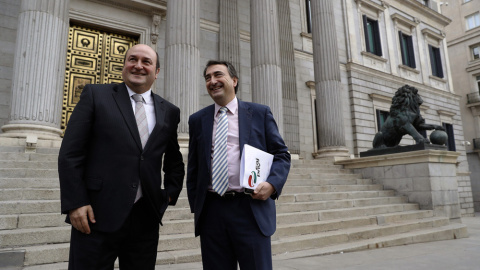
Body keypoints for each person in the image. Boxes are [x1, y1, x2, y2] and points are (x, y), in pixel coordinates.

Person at [58, 44, 185, 270]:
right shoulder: (96, 95)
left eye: (146, 61)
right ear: (124, 65)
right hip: (95, 216)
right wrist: (76, 202)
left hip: (145, 220)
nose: (138, 65)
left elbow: (174, 161)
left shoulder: (170, 111)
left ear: (156, 72)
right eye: (132, 59)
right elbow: (71, 153)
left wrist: (168, 195)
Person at [187, 60, 291, 270]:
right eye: (207, 78)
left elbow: (281, 154)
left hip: (249, 209)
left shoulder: (259, 113)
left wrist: (272, 184)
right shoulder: (197, 120)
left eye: (218, 75)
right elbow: (194, 166)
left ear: (234, 81)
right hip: (212, 211)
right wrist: (197, 205)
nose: (212, 81)